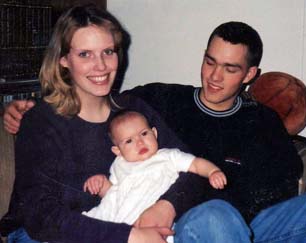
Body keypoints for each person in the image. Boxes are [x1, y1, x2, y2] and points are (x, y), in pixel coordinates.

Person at [3, 19, 306, 243]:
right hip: (193, 220)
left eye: (230, 69)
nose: (214, 76)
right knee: (216, 216)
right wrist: (27, 106)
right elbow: (84, 98)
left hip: (249, 225)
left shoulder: (264, 121)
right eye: (210, 61)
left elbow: (283, 185)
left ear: (250, 74)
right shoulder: (159, 99)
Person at [0, 4, 208, 243]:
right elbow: (41, 217)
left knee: (214, 217)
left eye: (108, 52)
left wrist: (166, 206)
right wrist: (129, 236)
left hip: (125, 224)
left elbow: (194, 172)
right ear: (64, 60)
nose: (101, 66)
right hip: (46, 236)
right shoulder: (41, 121)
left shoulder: (134, 110)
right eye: (85, 54)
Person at [82, 110, 226, 242]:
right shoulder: (119, 164)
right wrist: (101, 184)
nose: (139, 142)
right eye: (129, 141)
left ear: (154, 134)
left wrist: (212, 172)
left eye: (144, 134)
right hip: (115, 223)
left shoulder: (168, 156)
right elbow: (113, 194)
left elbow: (195, 164)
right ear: (117, 151)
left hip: (150, 225)